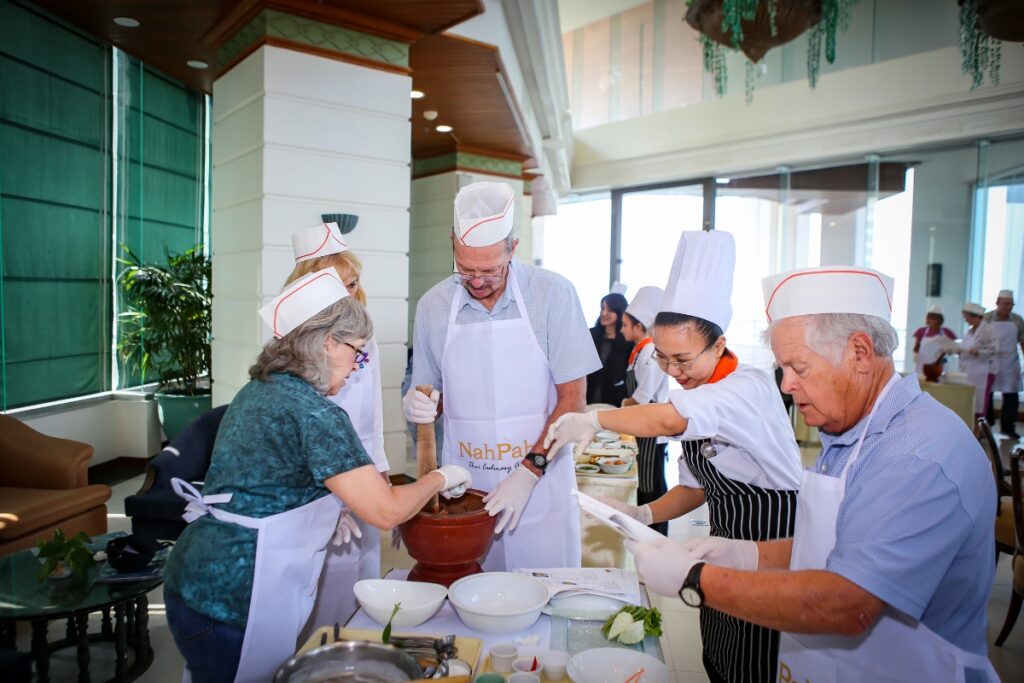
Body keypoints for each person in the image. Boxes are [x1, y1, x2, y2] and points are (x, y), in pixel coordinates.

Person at [624, 265, 998, 683]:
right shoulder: (851, 432)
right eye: (782, 369)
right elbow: (844, 544)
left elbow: (848, 604)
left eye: (799, 368)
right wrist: (749, 555)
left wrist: (696, 579)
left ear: (859, 352)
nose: (786, 386)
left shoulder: (916, 453)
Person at [163, 268, 470, 683]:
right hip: (235, 596)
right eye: (357, 352)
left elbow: (272, 480)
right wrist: (442, 477)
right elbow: (386, 511)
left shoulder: (263, 388)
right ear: (328, 343)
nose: (359, 366)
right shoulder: (315, 412)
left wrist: (332, 507)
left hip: (196, 580)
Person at [545, 231, 802, 683]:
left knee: (756, 663)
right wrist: (641, 512)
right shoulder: (701, 391)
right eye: (663, 360)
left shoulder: (747, 388)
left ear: (719, 346)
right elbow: (693, 488)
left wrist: (593, 421)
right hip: (722, 544)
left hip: (771, 545)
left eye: (683, 360)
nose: (674, 373)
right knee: (719, 652)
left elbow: (668, 420)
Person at [403, 181, 600, 571]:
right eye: (465, 269)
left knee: (543, 591)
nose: (477, 281)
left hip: (539, 480)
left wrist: (529, 472)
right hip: (466, 486)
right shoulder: (433, 307)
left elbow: (572, 401)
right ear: (452, 244)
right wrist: (420, 407)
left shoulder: (553, 295)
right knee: (472, 591)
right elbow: (430, 398)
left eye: (490, 270)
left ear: (513, 248)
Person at [282, 222, 391, 631]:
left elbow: (372, 414)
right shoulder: (294, 339)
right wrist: (330, 489)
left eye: (354, 282)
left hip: (361, 465)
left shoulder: (366, 335)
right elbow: (301, 427)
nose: (351, 292)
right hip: (320, 477)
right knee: (326, 586)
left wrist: (380, 471)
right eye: (340, 284)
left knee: (363, 572)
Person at [619, 285, 670, 536]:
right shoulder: (639, 351)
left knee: (652, 484)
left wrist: (620, 408)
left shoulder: (650, 350)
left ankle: (657, 534)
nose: (622, 330)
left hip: (652, 427)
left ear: (639, 326)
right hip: (643, 425)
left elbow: (643, 396)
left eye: (625, 325)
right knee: (646, 481)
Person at [984, 289, 1024, 438]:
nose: (1008, 307)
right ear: (997, 303)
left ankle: (1008, 427)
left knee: (1011, 396)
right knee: (988, 394)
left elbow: (1022, 341)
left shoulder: (1017, 320)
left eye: (1011, 304)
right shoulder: (987, 318)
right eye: (1005, 303)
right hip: (990, 360)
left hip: (1010, 361)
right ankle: (986, 426)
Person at [586, 292, 634, 406]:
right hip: (587, 397)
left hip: (614, 401)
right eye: (602, 308)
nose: (604, 313)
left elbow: (630, 375)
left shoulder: (627, 341)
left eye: (610, 310)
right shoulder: (591, 334)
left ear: (620, 311)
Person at [960, 302, 998, 422]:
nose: (967, 321)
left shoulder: (988, 330)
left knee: (980, 403)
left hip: (984, 371)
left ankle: (978, 429)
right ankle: (971, 427)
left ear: (976, 317)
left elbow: (994, 348)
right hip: (970, 371)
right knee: (970, 402)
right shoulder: (971, 331)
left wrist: (978, 352)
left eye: (968, 318)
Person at [912, 305, 957, 379]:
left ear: (940, 320)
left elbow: (955, 347)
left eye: (935, 319)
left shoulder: (947, 332)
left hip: (938, 366)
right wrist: (915, 355)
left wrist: (950, 351)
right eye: (931, 318)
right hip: (922, 364)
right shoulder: (921, 331)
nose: (932, 321)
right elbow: (916, 346)